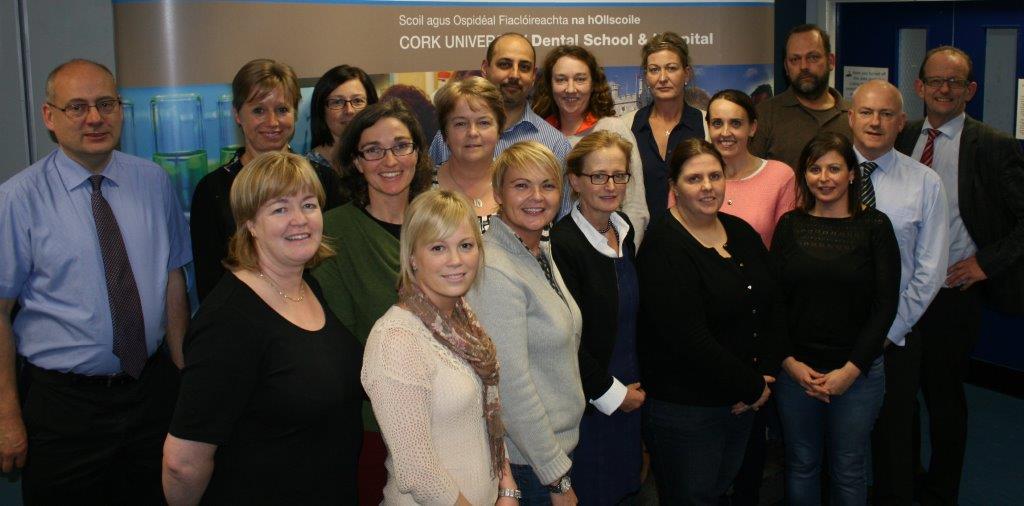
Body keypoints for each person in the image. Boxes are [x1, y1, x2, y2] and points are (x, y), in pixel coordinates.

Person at [0, 59, 190, 503]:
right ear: (49, 116)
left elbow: (172, 277)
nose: (94, 118)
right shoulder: (17, 199)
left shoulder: (153, 182)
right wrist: (6, 414)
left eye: (106, 104)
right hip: (63, 409)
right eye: (77, 107)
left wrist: (183, 375)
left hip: (150, 394)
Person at [163, 152, 362, 504]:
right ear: (250, 224)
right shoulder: (228, 320)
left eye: (309, 205)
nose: (299, 219)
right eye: (280, 209)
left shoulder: (308, 287)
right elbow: (182, 463)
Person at [895, 46, 1024, 504]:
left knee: (943, 398)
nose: (944, 89)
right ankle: (904, 481)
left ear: (970, 90)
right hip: (902, 293)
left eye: (955, 82)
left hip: (952, 294)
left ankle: (941, 491)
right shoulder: (902, 135)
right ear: (920, 86)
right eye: (936, 80)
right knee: (900, 397)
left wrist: (985, 263)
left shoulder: (993, 146)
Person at [636, 138, 782, 505]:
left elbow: (769, 305)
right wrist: (751, 386)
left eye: (715, 176)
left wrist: (762, 376)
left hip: (742, 402)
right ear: (674, 186)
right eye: (694, 178)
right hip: (687, 411)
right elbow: (688, 338)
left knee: (719, 493)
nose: (707, 187)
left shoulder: (741, 232)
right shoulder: (662, 245)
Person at [362, 189, 520, 505]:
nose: (456, 260)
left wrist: (507, 488)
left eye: (466, 245)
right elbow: (418, 472)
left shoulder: (463, 319)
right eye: (438, 247)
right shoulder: (396, 338)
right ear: (412, 258)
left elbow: (487, 419)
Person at [312, 98, 433, 505]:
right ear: (356, 162)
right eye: (373, 150)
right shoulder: (333, 234)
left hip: (451, 415)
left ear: (417, 152)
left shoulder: (440, 221)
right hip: (376, 427)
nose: (390, 160)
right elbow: (342, 346)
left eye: (401, 146)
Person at [771, 132, 901, 505]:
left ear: (852, 174)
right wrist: (789, 363)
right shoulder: (789, 225)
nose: (824, 178)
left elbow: (885, 305)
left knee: (848, 468)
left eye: (834, 168)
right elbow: (774, 302)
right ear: (804, 175)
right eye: (815, 169)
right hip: (797, 373)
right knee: (801, 464)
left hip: (857, 375)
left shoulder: (876, 226)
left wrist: (851, 370)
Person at [844, 80, 949, 506]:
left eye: (886, 114)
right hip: (834, 333)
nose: (875, 122)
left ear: (901, 122)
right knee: (836, 444)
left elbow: (931, 270)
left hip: (896, 339)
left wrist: (888, 333)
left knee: (894, 443)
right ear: (850, 117)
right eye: (866, 112)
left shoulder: (926, 183)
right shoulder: (823, 174)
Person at [467, 141, 584, 505]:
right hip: (530, 463)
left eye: (548, 185)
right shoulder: (496, 267)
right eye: (521, 185)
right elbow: (510, 387)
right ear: (498, 193)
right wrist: (556, 478)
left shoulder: (537, 250)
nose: (537, 196)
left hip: (551, 451)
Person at [191, 58, 343, 301]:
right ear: (237, 115)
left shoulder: (324, 180)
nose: (272, 122)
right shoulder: (212, 190)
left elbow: (339, 265)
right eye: (259, 110)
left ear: (295, 113)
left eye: (282, 110)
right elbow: (210, 285)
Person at [550, 131, 644, 505]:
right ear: (575, 181)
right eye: (598, 176)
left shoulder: (624, 229)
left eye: (619, 175)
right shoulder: (562, 244)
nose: (611, 185)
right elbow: (564, 339)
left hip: (631, 390)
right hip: (590, 402)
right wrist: (611, 394)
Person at [534, 45, 650, 245]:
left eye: (580, 79)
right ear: (550, 85)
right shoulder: (540, 136)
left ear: (593, 84)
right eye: (561, 79)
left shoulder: (612, 129)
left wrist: (622, 254)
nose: (571, 89)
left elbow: (635, 205)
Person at [428, 33, 571, 172]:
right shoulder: (449, 138)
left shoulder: (555, 145)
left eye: (524, 67)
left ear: (533, 75)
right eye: (504, 64)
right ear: (485, 68)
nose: (514, 75)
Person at [625, 31, 709, 223]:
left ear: (686, 73)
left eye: (671, 68)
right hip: (641, 238)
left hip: (694, 235)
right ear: (646, 77)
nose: (662, 78)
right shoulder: (627, 127)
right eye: (654, 70)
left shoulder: (707, 125)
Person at [750, 24, 853, 170]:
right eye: (795, 59)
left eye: (813, 57)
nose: (803, 66)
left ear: (830, 61)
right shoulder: (764, 115)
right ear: (786, 67)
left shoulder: (854, 116)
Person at [704, 89, 795, 248]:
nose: (725, 132)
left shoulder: (780, 176)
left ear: (752, 128)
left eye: (735, 123)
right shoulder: (692, 177)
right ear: (709, 127)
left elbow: (788, 247)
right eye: (717, 123)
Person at [432, 76, 506, 232]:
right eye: (460, 124)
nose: (472, 132)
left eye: (483, 123)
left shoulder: (520, 185)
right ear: (445, 133)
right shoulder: (421, 187)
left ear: (499, 130)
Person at [308, 64, 379, 173]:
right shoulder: (306, 170)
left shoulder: (384, 159)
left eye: (357, 101)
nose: (349, 110)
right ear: (321, 110)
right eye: (337, 102)